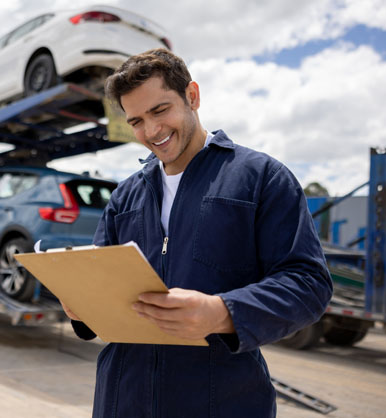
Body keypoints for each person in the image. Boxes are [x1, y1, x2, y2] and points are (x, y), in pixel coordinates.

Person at [62, 48, 333, 417]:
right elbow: (102, 293)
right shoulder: (124, 196)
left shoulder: (262, 179)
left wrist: (221, 312)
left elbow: (308, 283)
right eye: (137, 121)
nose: (151, 131)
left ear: (192, 96)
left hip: (220, 403)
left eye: (160, 110)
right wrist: (82, 308)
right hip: (120, 401)